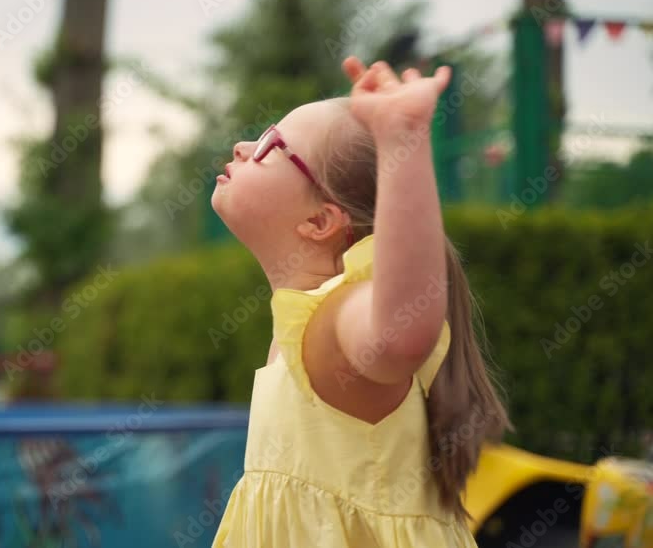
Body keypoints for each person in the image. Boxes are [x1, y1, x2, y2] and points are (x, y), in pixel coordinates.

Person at [210, 56, 511, 547]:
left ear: (320, 222)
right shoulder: (301, 320)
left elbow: (401, 335)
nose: (243, 147)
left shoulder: (339, 314)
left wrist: (404, 142)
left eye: (269, 144)